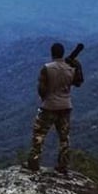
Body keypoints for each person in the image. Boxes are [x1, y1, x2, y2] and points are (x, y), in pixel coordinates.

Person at [25, 41, 84, 175]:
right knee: (64, 138)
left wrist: (46, 98)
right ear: (62, 53)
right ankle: (63, 165)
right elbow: (79, 82)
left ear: (52, 53)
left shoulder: (47, 68)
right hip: (66, 107)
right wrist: (78, 67)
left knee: (39, 135)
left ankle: (33, 163)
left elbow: (41, 89)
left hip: (49, 106)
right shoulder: (71, 68)